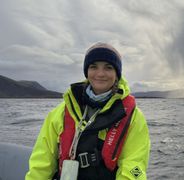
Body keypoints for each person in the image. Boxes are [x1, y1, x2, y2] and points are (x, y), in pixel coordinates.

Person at [25, 42, 150, 180]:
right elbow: (42, 163)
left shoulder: (133, 117)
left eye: (108, 68)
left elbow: (133, 167)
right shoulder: (60, 113)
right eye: (94, 67)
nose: (100, 74)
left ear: (117, 73)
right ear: (87, 71)